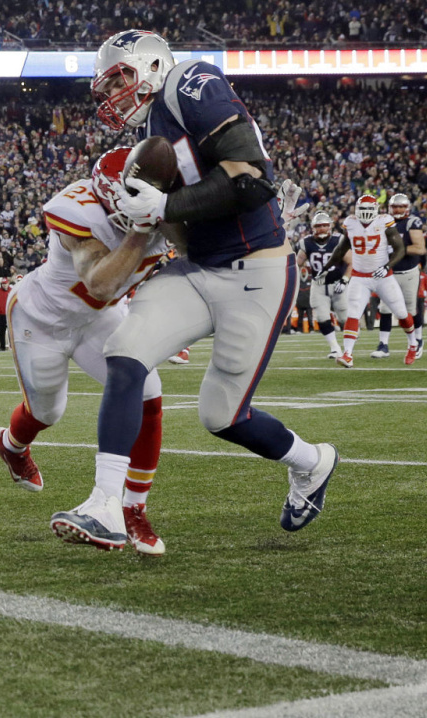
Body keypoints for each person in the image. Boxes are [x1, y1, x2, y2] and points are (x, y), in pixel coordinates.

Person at [64, 29, 337, 549]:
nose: (114, 93)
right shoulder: (145, 141)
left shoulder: (191, 83)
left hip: (258, 273)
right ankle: (105, 505)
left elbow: (252, 178)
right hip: (198, 268)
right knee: (124, 352)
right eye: (106, 86)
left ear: (150, 65)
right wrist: (147, 222)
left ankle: (312, 461)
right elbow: (183, 236)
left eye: (120, 77)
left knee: (221, 416)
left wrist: (165, 207)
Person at [0, 147, 170, 555]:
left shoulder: (165, 208)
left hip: (101, 319)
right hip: (42, 319)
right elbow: (99, 282)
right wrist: (141, 232)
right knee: (46, 413)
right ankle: (12, 445)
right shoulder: (76, 209)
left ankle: (133, 510)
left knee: (147, 392)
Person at [322, 195, 417, 366]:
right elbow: (341, 249)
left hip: (383, 277)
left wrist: (387, 266)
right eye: (362, 209)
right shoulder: (351, 223)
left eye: (368, 209)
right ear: (356, 210)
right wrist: (326, 266)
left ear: (375, 210)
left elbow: (400, 249)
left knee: (401, 313)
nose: (365, 213)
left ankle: (413, 343)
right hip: (359, 277)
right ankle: (347, 355)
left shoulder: (384, 222)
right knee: (353, 313)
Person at [372, 193, 426, 357]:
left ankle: (418, 340)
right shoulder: (381, 222)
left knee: (410, 308)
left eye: (401, 206)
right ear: (389, 207)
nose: (398, 210)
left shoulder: (411, 222)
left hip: (408, 271)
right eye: (395, 206)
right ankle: (383, 345)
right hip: (389, 272)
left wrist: (396, 248)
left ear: (407, 208)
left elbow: (419, 248)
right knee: (385, 308)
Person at [296, 211, 350, 358]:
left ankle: (348, 348)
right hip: (318, 285)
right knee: (321, 317)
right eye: (318, 226)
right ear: (313, 227)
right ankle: (334, 348)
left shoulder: (338, 240)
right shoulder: (306, 243)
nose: (321, 229)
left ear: (330, 227)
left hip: (337, 283)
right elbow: (296, 265)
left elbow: (351, 263)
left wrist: (345, 280)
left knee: (345, 318)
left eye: (324, 226)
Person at [0, 277, 11, 350]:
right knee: (1, 331)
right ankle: (2, 346)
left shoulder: (11, 291)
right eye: (3, 284)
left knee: (10, 331)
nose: (4, 285)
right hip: (0, 314)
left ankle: (12, 346)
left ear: (8, 283)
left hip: (9, 314)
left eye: (5, 283)